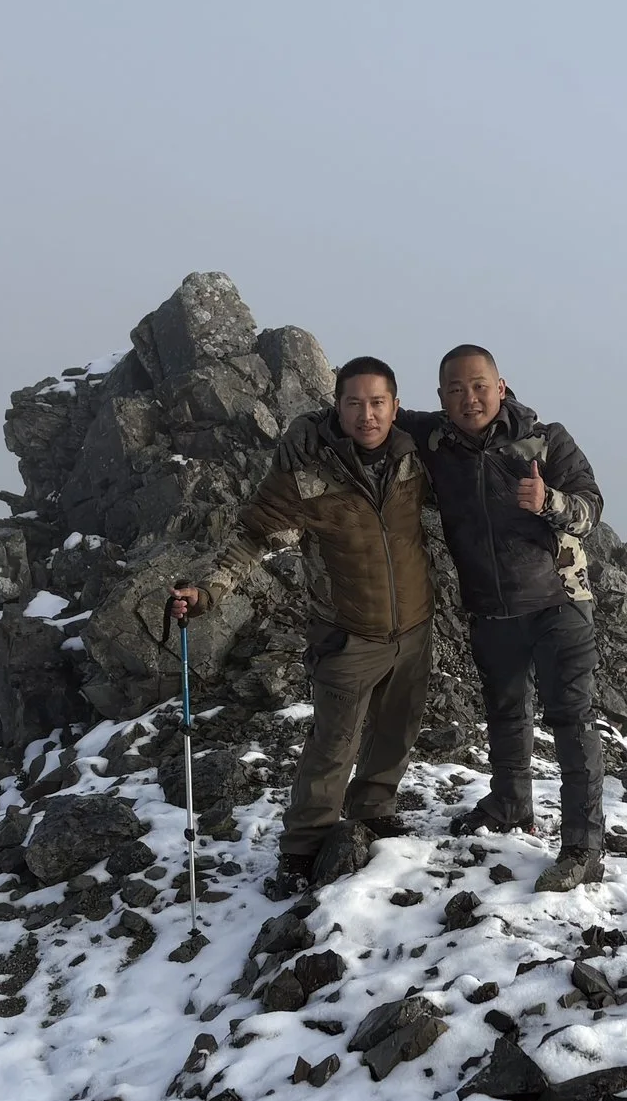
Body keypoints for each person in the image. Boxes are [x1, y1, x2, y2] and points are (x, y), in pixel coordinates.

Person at [170, 355, 433, 893]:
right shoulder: (305, 467)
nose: (367, 415)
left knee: (397, 728)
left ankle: (374, 808)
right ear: (335, 406)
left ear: (396, 406)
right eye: (354, 403)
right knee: (332, 744)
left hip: (413, 628)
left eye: (378, 402)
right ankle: (302, 847)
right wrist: (206, 593)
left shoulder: (414, 456)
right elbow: (253, 536)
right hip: (347, 631)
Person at [399, 346, 607, 891]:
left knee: (570, 720)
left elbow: (592, 508)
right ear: (441, 397)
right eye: (456, 390)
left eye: (479, 386)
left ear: (502, 385)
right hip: (490, 609)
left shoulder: (548, 439)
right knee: (505, 713)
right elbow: (373, 407)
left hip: (558, 603)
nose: (470, 399)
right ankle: (512, 804)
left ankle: (584, 846)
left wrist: (550, 501)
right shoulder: (436, 442)